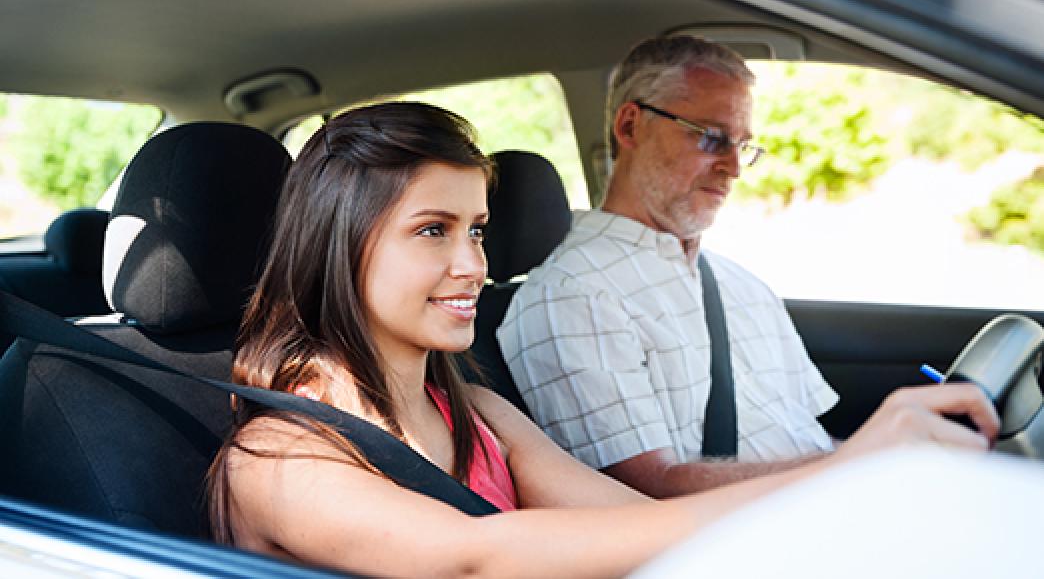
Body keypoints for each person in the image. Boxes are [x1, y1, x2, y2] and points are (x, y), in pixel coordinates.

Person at [207, 101, 997, 577]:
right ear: (339, 249)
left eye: (476, 229)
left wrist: (856, 496)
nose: (473, 264)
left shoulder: (477, 412)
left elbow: (632, 525)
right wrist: (851, 469)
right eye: (432, 230)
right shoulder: (277, 458)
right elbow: (476, 559)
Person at [497, 35, 841, 496]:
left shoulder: (741, 284)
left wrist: (892, 459)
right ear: (631, 126)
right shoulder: (573, 293)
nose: (734, 167)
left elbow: (805, 437)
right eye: (712, 138)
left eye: (743, 146)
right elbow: (645, 491)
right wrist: (851, 465)